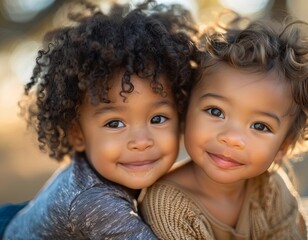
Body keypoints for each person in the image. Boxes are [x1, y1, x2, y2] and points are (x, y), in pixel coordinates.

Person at [140, 13, 308, 239]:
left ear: (283, 147)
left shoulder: (271, 190)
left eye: (260, 126)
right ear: (186, 109)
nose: (232, 138)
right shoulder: (166, 204)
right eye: (216, 111)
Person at [3, 0, 197, 238]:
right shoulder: (95, 203)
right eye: (114, 123)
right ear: (77, 135)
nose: (141, 140)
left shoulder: (106, 174)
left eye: (157, 118)